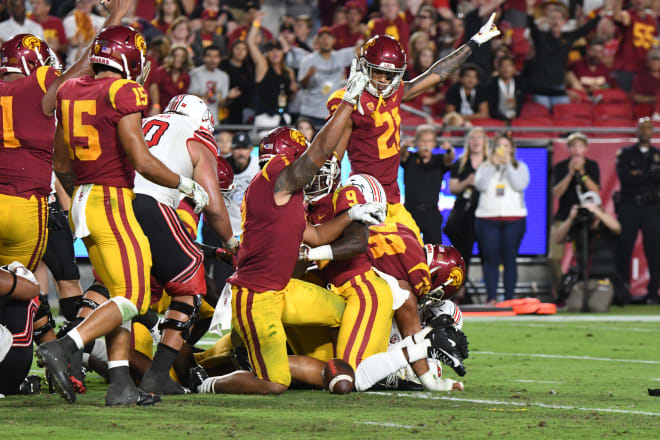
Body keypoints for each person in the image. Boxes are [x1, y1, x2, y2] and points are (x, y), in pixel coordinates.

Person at [39, 25, 209, 406]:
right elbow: (142, 159)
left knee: (119, 294)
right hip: (112, 200)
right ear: (130, 58)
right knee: (134, 298)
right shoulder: (124, 91)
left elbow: (62, 159)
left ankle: (120, 385)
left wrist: (84, 189)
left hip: (84, 198)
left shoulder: (69, 89)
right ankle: (66, 346)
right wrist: (186, 186)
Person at [193, 70, 387, 395]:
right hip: (257, 299)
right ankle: (206, 383)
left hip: (283, 290)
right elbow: (323, 148)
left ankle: (363, 364)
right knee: (274, 384)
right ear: (292, 160)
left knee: (350, 312)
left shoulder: (284, 195)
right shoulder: (276, 180)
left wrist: (352, 215)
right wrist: (348, 105)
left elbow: (317, 236)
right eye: (304, 158)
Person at [327, 17, 500, 243]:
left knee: (414, 256)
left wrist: (474, 42)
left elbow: (435, 74)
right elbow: (332, 152)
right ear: (363, 67)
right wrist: (348, 102)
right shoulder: (346, 99)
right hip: (365, 193)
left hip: (393, 196)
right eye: (377, 72)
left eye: (389, 75)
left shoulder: (395, 91)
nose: (382, 80)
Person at [133, 94, 236, 395]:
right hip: (152, 208)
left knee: (114, 289)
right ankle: (158, 373)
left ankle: (68, 345)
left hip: (110, 205)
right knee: (191, 283)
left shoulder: (144, 123)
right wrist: (229, 244)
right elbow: (213, 206)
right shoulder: (195, 137)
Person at [474, 132, 529, 304]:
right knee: (491, 260)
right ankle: (491, 297)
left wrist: (507, 165)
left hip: (514, 219)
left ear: (512, 149)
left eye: (506, 146)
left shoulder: (520, 167)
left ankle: (509, 298)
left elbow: (519, 184)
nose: (503, 150)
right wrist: (493, 165)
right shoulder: (485, 166)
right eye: (500, 146)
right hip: (487, 219)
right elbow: (480, 185)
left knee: (510, 260)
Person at [615, 118, 660, 304]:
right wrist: (649, 176)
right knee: (624, 248)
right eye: (642, 128)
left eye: (649, 128)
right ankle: (622, 291)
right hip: (630, 206)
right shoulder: (626, 154)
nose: (645, 131)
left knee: (654, 250)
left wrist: (640, 175)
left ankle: (653, 292)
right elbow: (625, 178)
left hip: (651, 207)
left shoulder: (657, 155)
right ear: (636, 131)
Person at [525, 0, 602, 109]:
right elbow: (531, 24)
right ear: (548, 21)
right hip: (541, 87)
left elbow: (585, 30)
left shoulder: (567, 38)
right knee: (541, 117)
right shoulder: (541, 37)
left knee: (565, 115)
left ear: (564, 21)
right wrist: (529, 7)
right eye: (552, 18)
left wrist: (600, 15)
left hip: (559, 87)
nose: (555, 21)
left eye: (558, 18)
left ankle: (589, 99)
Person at [550, 132, 600, 299]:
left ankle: (580, 294)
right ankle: (561, 293)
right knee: (554, 256)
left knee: (584, 259)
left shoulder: (592, 166)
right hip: (564, 216)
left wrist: (583, 174)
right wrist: (570, 174)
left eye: (580, 145)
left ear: (585, 148)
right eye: (573, 146)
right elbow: (556, 193)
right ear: (569, 149)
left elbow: (596, 191)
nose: (576, 149)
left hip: (585, 219)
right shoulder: (561, 166)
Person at [553, 191, 621, 312]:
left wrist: (597, 212)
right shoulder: (578, 226)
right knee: (574, 308)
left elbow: (617, 228)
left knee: (597, 308)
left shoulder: (606, 226)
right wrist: (570, 218)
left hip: (603, 281)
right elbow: (558, 239)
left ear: (600, 207)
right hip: (580, 281)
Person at [446, 128, 488, 299]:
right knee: (463, 254)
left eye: (479, 137)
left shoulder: (490, 163)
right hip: (464, 214)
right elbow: (453, 187)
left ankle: (491, 292)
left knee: (488, 253)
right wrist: (467, 182)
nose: (476, 141)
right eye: (472, 138)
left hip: (486, 213)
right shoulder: (460, 163)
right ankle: (460, 291)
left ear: (485, 141)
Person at [400, 125, 454, 244]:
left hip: (431, 211)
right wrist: (404, 146)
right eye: (423, 140)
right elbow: (402, 155)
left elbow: (449, 159)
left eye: (429, 141)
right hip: (410, 211)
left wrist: (449, 149)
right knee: (408, 247)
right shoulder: (410, 158)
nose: (425, 144)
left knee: (434, 249)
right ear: (417, 142)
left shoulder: (439, 160)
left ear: (434, 144)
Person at [297, 26, 355, 128]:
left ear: (334, 40)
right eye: (322, 37)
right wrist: (308, 76)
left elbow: (361, 49)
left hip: (332, 113)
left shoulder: (339, 57)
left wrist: (367, 33)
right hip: (311, 113)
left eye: (328, 37)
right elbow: (302, 86)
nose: (325, 40)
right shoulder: (308, 60)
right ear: (318, 40)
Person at [247, 11, 297, 126]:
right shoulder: (263, 67)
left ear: (282, 52)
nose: (275, 52)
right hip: (265, 118)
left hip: (284, 116)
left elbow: (291, 96)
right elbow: (250, 43)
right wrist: (256, 23)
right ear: (267, 54)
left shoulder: (288, 72)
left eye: (278, 49)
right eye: (271, 50)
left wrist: (294, 91)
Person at [0, 262, 40, 396]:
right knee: (27, 297)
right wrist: (17, 268)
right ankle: (60, 364)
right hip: (6, 374)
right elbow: (32, 289)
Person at [612, 0, 658, 92]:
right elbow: (617, 18)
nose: (639, 1)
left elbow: (654, 45)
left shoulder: (651, 20)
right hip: (626, 67)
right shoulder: (627, 15)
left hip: (644, 69)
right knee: (624, 98)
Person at [189, 45, 229, 126]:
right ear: (203, 58)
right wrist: (211, 93)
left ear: (220, 59)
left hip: (215, 121)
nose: (212, 60)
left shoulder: (224, 76)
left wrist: (229, 98)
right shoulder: (195, 73)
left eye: (216, 56)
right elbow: (190, 97)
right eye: (209, 56)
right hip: (195, 120)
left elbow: (222, 104)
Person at [218, 40, 254, 124]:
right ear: (232, 50)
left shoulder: (249, 68)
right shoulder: (223, 65)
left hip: (244, 108)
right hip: (225, 107)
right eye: (237, 48)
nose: (240, 52)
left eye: (243, 49)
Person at [149, 44, 191, 116]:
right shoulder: (161, 72)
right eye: (176, 56)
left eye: (182, 56)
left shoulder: (186, 76)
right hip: (159, 111)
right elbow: (154, 91)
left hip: (176, 113)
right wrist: (156, 106)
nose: (179, 59)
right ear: (171, 57)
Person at [484, 55, 525, 121]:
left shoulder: (520, 84)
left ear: (514, 68)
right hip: (496, 120)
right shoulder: (491, 85)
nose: (506, 69)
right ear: (498, 68)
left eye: (509, 65)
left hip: (515, 120)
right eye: (503, 66)